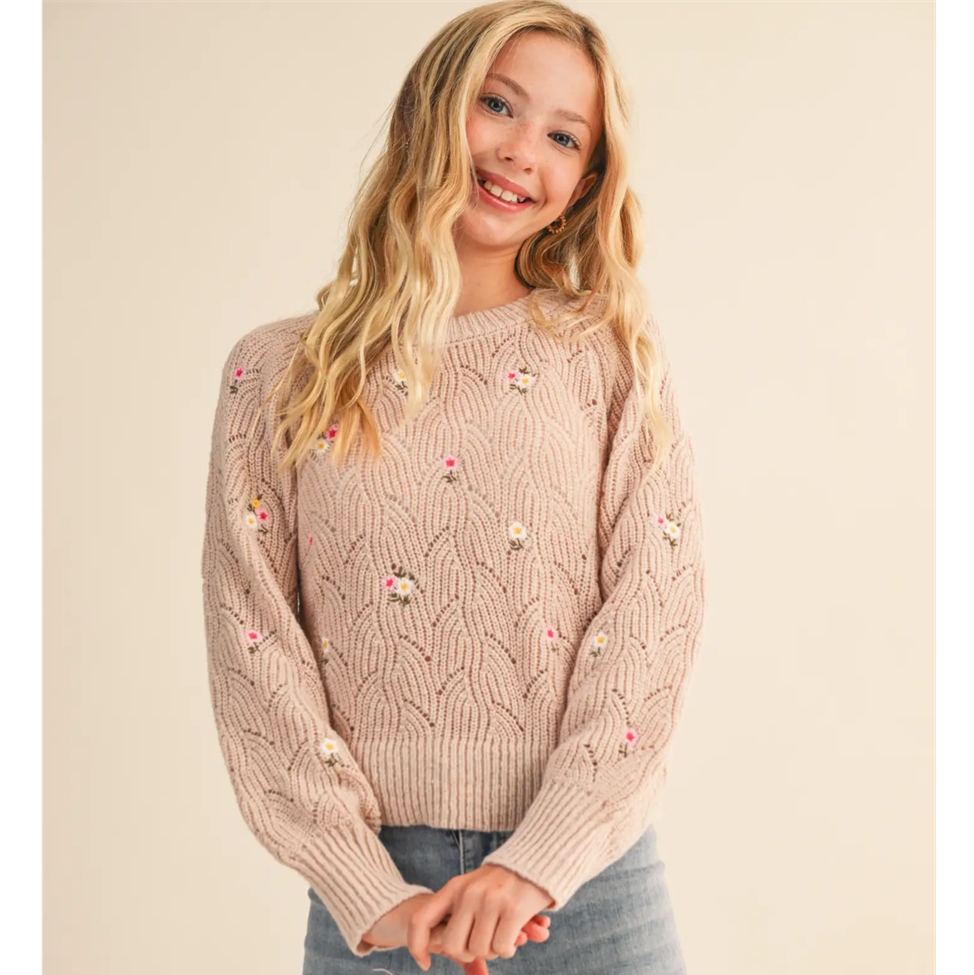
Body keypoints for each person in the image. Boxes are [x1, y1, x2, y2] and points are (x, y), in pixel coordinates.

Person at [201, 1, 704, 971]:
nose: (521, 151)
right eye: (498, 105)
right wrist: (362, 884)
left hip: (588, 892)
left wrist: (540, 859)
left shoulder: (607, 357)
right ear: (431, 108)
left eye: (563, 137)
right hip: (385, 905)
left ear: (583, 184)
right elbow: (252, 640)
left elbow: (655, 611)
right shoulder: (275, 374)